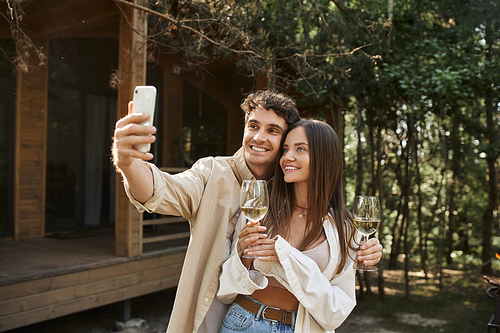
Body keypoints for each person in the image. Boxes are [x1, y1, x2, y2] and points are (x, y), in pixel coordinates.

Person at [112, 90, 382, 333]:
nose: (259, 137)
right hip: (233, 321)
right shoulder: (217, 177)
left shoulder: (333, 222)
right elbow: (160, 190)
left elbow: (339, 301)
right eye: (253, 126)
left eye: (273, 131)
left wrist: (366, 248)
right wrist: (128, 162)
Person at [217, 119, 361, 332]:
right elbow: (225, 290)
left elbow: (335, 313)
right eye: (285, 149)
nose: (287, 157)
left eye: (300, 148)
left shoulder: (344, 228)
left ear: (324, 157)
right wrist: (243, 257)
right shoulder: (260, 209)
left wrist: (285, 256)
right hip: (244, 322)